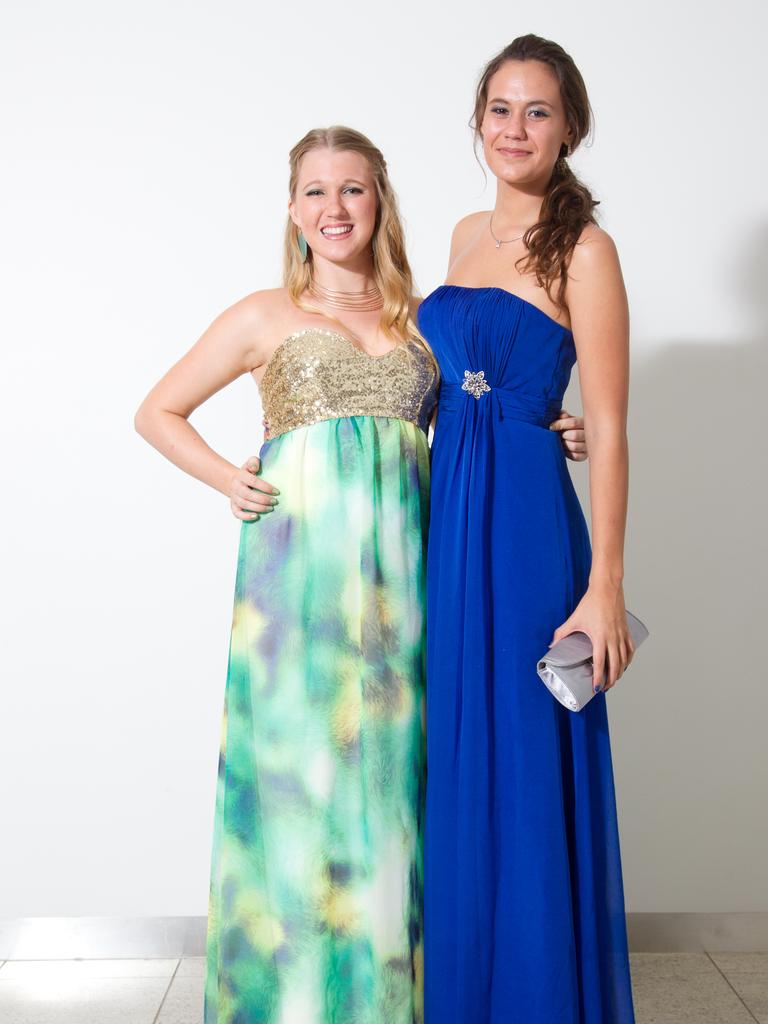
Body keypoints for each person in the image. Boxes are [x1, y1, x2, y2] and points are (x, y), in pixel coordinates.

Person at [135, 125, 588, 1022]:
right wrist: (231, 478)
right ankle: (292, 999)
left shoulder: (422, 320)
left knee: (392, 782)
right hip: (297, 588)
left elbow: (489, 412)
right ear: (293, 211)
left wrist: (554, 429)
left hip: (409, 588)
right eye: (315, 192)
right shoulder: (264, 314)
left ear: (379, 202)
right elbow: (158, 411)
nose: (333, 208)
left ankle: (387, 994)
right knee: (298, 780)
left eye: (352, 189)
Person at [418, 35, 637, 1023]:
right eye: (500, 108)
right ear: (477, 123)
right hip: (447, 520)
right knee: (460, 750)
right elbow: (432, 383)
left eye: (538, 111)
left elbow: (617, 427)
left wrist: (605, 586)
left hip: (527, 536)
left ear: (570, 127)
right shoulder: (463, 230)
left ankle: (542, 996)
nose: (516, 128)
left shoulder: (585, 249)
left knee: (524, 752)